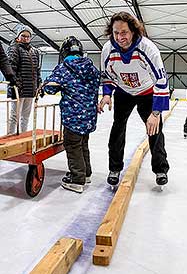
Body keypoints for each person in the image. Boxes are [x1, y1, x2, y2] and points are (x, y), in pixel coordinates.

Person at [98, 11, 170, 187]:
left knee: (155, 129)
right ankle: (114, 169)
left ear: (133, 31)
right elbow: (107, 76)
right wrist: (107, 94)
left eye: (124, 32)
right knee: (117, 128)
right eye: (115, 32)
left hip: (147, 92)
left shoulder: (148, 48)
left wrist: (156, 112)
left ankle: (160, 169)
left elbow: (161, 80)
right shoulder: (108, 49)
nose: (119, 37)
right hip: (124, 92)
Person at [43, 36, 100, 193]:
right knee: (83, 144)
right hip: (89, 116)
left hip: (73, 117)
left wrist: (48, 83)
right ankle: (86, 173)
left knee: (73, 145)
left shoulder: (64, 68)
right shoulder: (92, 68)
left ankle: (77, 179)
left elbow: (50, 88)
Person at [7, 24, 42, 134]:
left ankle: (23, 136)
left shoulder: (35, 51)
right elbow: (11, 68)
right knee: (14, 116)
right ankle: (11, 137)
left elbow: (37, 71)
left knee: (25, 117)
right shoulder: (14, 49)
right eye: (23, 36)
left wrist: (39, 85)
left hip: (30, 90)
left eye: (28, 36)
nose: (26, 38)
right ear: (18, 36)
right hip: (18, 89)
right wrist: (16, 83)